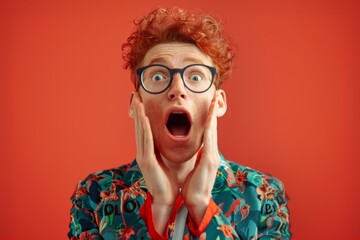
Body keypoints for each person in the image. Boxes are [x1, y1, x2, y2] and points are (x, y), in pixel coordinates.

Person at [68, 7, 291, 240]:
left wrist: (202, 206)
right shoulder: (95, 195)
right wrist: (160, 207)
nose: (177, 89)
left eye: (195, 77)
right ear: (136, 104)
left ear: (219, 103)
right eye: (157, 76)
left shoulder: (264, 194)